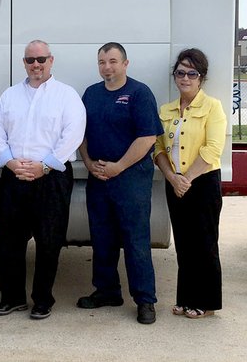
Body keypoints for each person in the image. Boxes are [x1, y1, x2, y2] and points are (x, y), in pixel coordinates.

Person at [0, 40, 86, 320]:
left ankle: (43, 300)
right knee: (8, 241)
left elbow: (73, 135)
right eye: (30, 60)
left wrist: (45, 166)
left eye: (41, 59)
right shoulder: (10, 96)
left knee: (49, 241)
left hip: (51, 178)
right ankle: (12, 298)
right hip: (14, 176)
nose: (36, 65)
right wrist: (10, 162)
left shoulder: (67, 96)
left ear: (51, 61)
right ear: (24, 63)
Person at [77, 42, 162, 325]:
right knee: (102, 238)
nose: (107, 67)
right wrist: (89, 163)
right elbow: (81, 133)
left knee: (136, 240)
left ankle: (145, 300)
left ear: (125, 64)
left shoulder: (139, 93)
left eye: (113, 61)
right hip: (99, 176)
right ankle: (107, 291)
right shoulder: (91, 94)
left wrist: (119, 167)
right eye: (102, 62)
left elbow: (147, 137)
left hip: (130, 178)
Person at [154, 48, 226, 319]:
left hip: (202, 182)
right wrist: (173, 178)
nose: (185, 78)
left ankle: (206, 302)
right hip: (175, 184)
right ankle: (185, 299)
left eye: (191, 73)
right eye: (180, 73)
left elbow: (212, 149)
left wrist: (187, 179)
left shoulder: (212, 107)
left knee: (204, 243)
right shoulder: (166, 110)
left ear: (201, 77)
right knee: (184, 244)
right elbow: (158, 148)